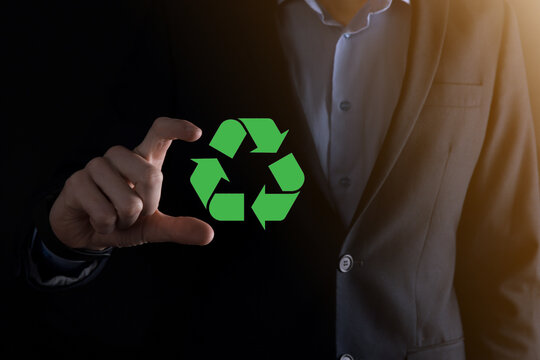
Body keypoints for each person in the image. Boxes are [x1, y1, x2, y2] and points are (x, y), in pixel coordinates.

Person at [16, 0, 540, 358]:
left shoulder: (488, 18)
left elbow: (511, 254)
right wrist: (69, 249)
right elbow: (98, 194)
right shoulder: (189, 18)